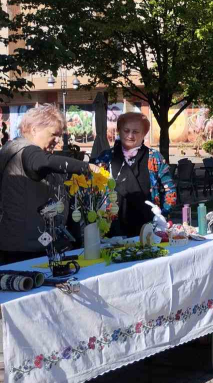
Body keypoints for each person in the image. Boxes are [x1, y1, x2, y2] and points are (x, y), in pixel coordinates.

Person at [0, 104, 101, 265]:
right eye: (54, 134)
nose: (58, 140)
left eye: (60, 136)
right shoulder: (26, 151)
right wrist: (86, 167)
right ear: (34, 129)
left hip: (28, 244)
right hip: (26, 250)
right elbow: (44, 162)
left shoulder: (15, 150)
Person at [93, 112, 177, 237]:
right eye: (126, 130)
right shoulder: (105, 158)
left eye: (136, 132)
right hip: (112, 228)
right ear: (119, 131)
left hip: (147, 228)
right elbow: (93, 188)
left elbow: (170, 190)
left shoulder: (155, 157)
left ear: (144, 134)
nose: (130, 135)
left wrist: (161, 214)